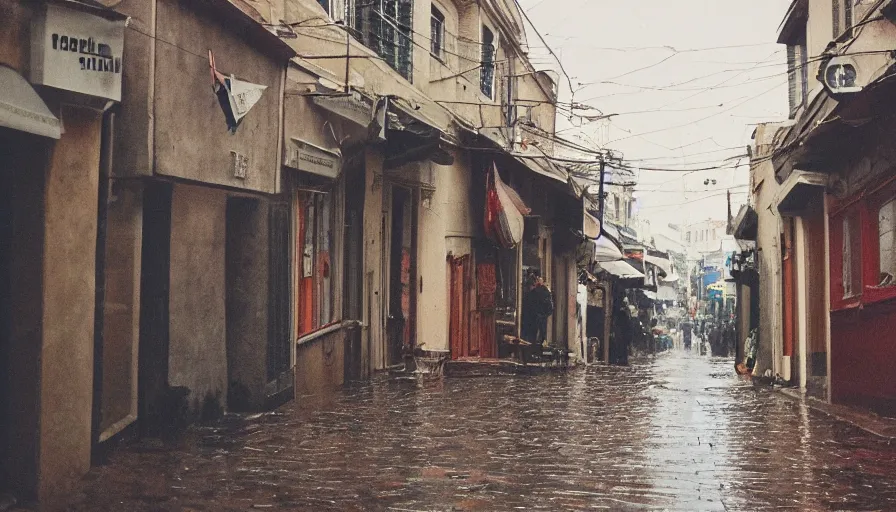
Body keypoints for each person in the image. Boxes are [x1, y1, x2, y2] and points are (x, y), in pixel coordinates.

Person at [521, 273, 553, 346]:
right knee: (540, 339)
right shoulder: (545, 291)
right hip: (540, 319)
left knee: (530, 339)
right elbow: (550, 308)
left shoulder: (531, 294)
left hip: (532, 320)